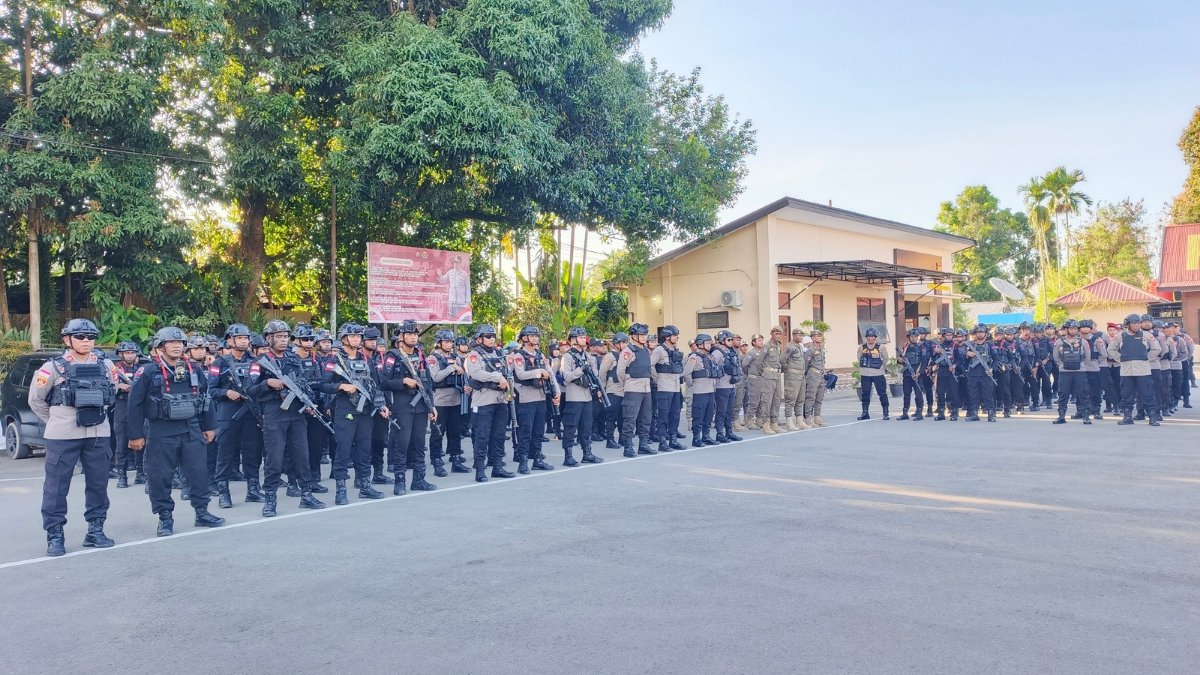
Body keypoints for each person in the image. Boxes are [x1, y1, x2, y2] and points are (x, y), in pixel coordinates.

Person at [29, 319, 119, 556]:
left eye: (91, 336)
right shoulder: (52, 368)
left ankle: (95, 530)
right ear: (67, 340)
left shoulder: (106, 365)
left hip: (98, 432)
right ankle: (55, 534)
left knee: (99, 484)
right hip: (63, 436)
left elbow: (113, 391)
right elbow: (36, 401)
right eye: (80, 337)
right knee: (56, 487)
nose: (86, 341)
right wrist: (57, 421)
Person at [127, 327, 225, 537]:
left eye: (180, 342)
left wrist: (209, 427)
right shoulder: (147, 371)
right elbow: (134, 404)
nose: (177, 346)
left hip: (191, 429)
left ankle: (202, 512)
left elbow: (205, 399)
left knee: (198, 473)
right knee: (160, 477)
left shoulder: (193, 369)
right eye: (171, 342)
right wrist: (135, 435)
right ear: (160, 346)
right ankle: (165, 517)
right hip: (161, 430)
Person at [248, 320, 326, 514]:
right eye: (279, 337)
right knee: (274, 460)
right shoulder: (259, 363)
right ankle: (270, 500)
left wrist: (308, 404)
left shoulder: (293, 359)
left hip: (296, 414)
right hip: (274, 414)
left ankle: (306, 495)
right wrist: (268, 383)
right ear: (269, 338)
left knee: (302, 456)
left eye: (285, 337)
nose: (283, 340)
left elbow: (302, 385)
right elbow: (250, 390)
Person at [320, 323, 389, 504]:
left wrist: (381, 404)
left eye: (359, 336)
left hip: (365, 411)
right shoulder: (334, 360)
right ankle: (341, 490)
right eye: (353, 336)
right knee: (343, 450)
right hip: (345, 410)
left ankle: (365, 485)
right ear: (344, 339)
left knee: (364, 449)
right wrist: (341, 386)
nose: (357, 339)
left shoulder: (365, 359)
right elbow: (322, 384)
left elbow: (374, 384)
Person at [209, 323, 265, 509]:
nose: (244, 341)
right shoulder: (220, 363)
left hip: (251, 412)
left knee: (252, 451)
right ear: (229, 341)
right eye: (239, 338)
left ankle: (253, 489)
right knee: (225, 453)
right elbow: (211, 389)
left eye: (246, 338)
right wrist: (227, 393)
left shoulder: (256, 361)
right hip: (228, 413)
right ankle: (223, 492)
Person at [383, 320, 438, 494]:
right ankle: (400, 481)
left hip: (421, 406)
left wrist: (432, 406)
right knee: (402, 444)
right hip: (402, 406)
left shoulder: (420, 355)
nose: (414, 337)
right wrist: (403, 381)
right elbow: (383, 382)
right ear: (401, 336)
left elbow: (427, 383)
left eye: (415, 334)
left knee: (419, 444)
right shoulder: (393, 356)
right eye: (410, 334)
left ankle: (419, 480)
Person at [463, 324, 515, 481]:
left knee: (499, 435)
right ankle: (480, 470)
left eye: (493, 336)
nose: (491, 339)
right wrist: (497, 377)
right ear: (479, 339)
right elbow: (476, 373)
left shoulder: (500, 353)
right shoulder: (474, 354)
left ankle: (497, 467)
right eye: (488, 336)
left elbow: (508, 373)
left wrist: (509, 391)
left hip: (501, 399)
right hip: (483, 400)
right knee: (482, 436)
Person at [511, 325, 557, 473]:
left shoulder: (540, 355)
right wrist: (539, 372)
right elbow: (521, 374)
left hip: (541, 395)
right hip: (526, 397)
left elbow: (550, 373)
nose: (535, 338)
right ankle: (523, 461)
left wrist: (557, 392)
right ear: (524, 338)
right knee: (525, 430)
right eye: (532, 335)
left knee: (538, 430)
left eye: (536, 335)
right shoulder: (518, 356)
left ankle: (537, 459)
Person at [557, 327, 606, 465]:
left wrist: (596, 387)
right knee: (571, 426)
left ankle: (587, 453)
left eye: (585, 337)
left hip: (587, 395)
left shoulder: (588, 356)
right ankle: (568, 456)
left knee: (587, 425)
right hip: (574, 396)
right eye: (581, 337)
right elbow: (566, 377)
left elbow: (595, 374)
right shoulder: (567, 356)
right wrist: (580, 370)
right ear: (573, 340)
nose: (584, 339)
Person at [427, 330, 470, 475]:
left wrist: (464, 382)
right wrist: (451, 368)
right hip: (440, 400)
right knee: (438, 432)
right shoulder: (432, 358)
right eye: (446, 341)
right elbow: (436, 377)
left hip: (456, 399)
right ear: (439, 343)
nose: (449, 344)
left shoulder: (456, 358)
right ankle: (436, 460)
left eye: (451, 342)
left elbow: (462, 375)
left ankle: (456, 458)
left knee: (455, 431)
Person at [1108, 313, 1161, 426]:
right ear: (1128, 324)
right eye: (1134, 323)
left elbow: (1157, 348)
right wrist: (1120, 359)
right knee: (1127, 395)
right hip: (1126, 371)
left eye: (1138, 323)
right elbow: (1111, 349)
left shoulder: (1146, 335)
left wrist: (1147, 358)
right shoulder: (1120, 336)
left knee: (1148, 394)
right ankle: (1127, 417)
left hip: (1143, 370)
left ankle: (1152, 417)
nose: (1137, 325)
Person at [617, 323, 655, 457]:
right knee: (630, 419)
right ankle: (628, 447)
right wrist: (627, 384)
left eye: (645, 335)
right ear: (634, 336)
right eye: (641, 335)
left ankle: (643, 445)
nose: (644, 337)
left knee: (646, 418)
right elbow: (620, 371)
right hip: (633, 388)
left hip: (646, 389)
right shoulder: (628, 351)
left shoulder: (645, 350)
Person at [111, 341, 144, 488]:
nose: (130, 355)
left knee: (141, 442)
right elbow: (106, 385)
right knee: (122, 444)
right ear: (121, 354)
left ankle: (141, 474)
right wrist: (119, 386)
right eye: (127, 352)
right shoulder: (114, 369)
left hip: (138, 409)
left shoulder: (142, 369)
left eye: (132, 352)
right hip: (122, 408)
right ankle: (122, 476)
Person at [650, 326, 685, 452]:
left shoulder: (675, 349)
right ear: (666, 336)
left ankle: (673, 439)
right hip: (664, 387)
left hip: (676, 387)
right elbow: (651, 365)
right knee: (663, 415)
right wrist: (657, 380)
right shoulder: (659, 350)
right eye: (674, 335)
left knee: (675, 414)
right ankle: (663, 441)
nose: (676, 337)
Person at [1052, 320, 1092, 425]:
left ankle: (1086, 416)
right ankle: (1061, 416)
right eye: (1071, 328)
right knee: (1063, 394)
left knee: (1083, 394)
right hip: (1064, 372)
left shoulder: (1083, 341)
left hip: (1079, 372)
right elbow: (1055, 357)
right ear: (1066, 329)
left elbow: (1088, 356)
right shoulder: (1059, 342)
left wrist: (1083, 366)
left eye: (1075, 328)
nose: (1073, 330)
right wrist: (1061, 365)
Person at [682, 334, 718, 446]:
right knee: (698, 415)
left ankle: (706, 436)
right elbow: (687, 373)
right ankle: (696, 438)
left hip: (710, 390)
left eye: (709, 343)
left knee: (709, 414)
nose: (709, 345)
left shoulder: (709, 357)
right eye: (707, 343)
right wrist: (692, 384)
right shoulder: (694, 357)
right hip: (699, 391)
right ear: (700, 344)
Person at [750, 327, 785, 433]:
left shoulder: (778, 345)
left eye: (779, 333)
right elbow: (759, 363)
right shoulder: (767, 346)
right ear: (772, 334)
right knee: (767, 400)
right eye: (776, 333)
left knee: (776, 399)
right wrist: (764, 373)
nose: (778, 335)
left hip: (777, 375)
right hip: (768, 375)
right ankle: (766, 423)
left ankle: (774, 423)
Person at [710, 330, 742, 442]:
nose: (731, 342)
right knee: (721, 411)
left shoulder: (731, 351)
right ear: (722, 340)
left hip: (731, 385)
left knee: (729, 411)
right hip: (721, 386)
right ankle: (720, 433)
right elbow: (711, 367)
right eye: (728, 340)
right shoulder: (717, 353)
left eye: (731, 340)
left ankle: (729, 432)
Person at [598, 332, 627, 449]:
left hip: (624, 390)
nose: (625, 345)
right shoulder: (609, 356)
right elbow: (602, 373)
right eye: (623, 342)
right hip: (613, 390)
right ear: (616, 344)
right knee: (611, 417)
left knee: (623, 417)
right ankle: (610, 439)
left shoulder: (626, 355)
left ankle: (622, 438)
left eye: (626, 342)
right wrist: (603, 388)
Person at [963, 325, 997, 422]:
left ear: (986, 334)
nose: (980, 334)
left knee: (988, 394)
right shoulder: (970, 345)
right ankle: (974, 414)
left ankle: (991, 414)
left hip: (986, 374)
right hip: (973, 374)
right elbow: (962, 359)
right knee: (973, 394)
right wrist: (967, 354)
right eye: (978, 332)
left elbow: (996, 360)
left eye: (982, 332)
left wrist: (992, 369)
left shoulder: (990, 345)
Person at [856, 328, 889, 420]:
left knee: (882, 393)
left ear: (875, 338)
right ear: (866, 338)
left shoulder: (881, 347)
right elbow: (859, 358)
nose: (870, 338)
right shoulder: (861, 347)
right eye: (868, 337)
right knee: (865, 394)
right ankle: (865, 413)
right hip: (865, 374)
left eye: (872, 337)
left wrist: (881, 367)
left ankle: (885, 413)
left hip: (878, 374)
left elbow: (886, 359)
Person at [782, 328, 811, 430]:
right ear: (793, 335)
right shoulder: (789, 347)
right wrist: (788, 371)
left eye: (802, 336)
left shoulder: (799, 346)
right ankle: (789, 421)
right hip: (792, 377)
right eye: (799, 335)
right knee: (790, 399)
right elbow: (782, 360)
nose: (801, 337)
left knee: (800, 399)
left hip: (801, 376)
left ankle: (799, 420)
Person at [896, 329, 926, 421]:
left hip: (917, 373)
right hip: (907, 374)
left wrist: (919, 372)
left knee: (918, 393)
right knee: (906, 393)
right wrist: (899, 360)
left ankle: (919, 413)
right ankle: (905, 413)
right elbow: (901, 359)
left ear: (918, 337)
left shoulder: (922, 347)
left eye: (915, 336)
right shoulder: (905, 347)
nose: (913, 338)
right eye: (911, 336)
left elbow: (924, 361)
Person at [803, 330, 828, 427]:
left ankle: (817, 417)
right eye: (818, 336)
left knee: (819, 397)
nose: (820, 337)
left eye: (820, 335)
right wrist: (807, 374)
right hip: (813, 375)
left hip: (821, 375)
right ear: (813, 338)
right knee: (811, 397)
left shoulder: (821, 348)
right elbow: (806, 363)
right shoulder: (810, 350)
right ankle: (808, 418)